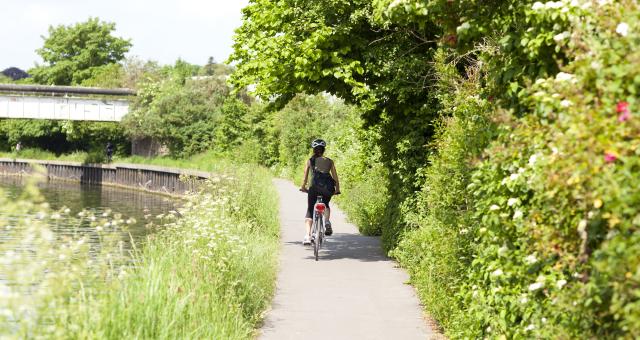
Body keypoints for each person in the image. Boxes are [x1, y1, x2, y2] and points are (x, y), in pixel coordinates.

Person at [299, 139, 341, 245]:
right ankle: (326, 221)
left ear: (314, 150)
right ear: (323, 150)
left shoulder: (310, 161)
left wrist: (303, 187)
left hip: (314, 188)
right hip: (328, 188)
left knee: (310, 209)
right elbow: (335, 178)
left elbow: (305, 178)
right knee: (326, 204)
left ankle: (308, 236)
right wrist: (337, 190)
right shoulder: (330, 161)